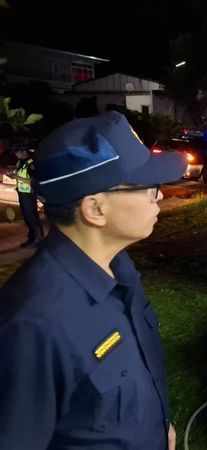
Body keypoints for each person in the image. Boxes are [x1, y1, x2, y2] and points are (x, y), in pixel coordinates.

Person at [0, 111, 187, 449]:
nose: (160, 196)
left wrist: (156, 429)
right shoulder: (32, 324)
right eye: (149, 188)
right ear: (95, 209)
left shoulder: (120, 269)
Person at [6, 145, 45, 247]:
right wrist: (13, 175)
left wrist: (16, 176)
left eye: (17, 152)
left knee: (31, 217)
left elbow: (33, 181)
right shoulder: (20, 162)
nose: (16, 155)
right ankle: (32, 237)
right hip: (22, 193)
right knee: (27, 217)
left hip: (29, 194)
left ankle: (38, 239)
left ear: (24, 151)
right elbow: (21, 176)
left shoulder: (31, 163)